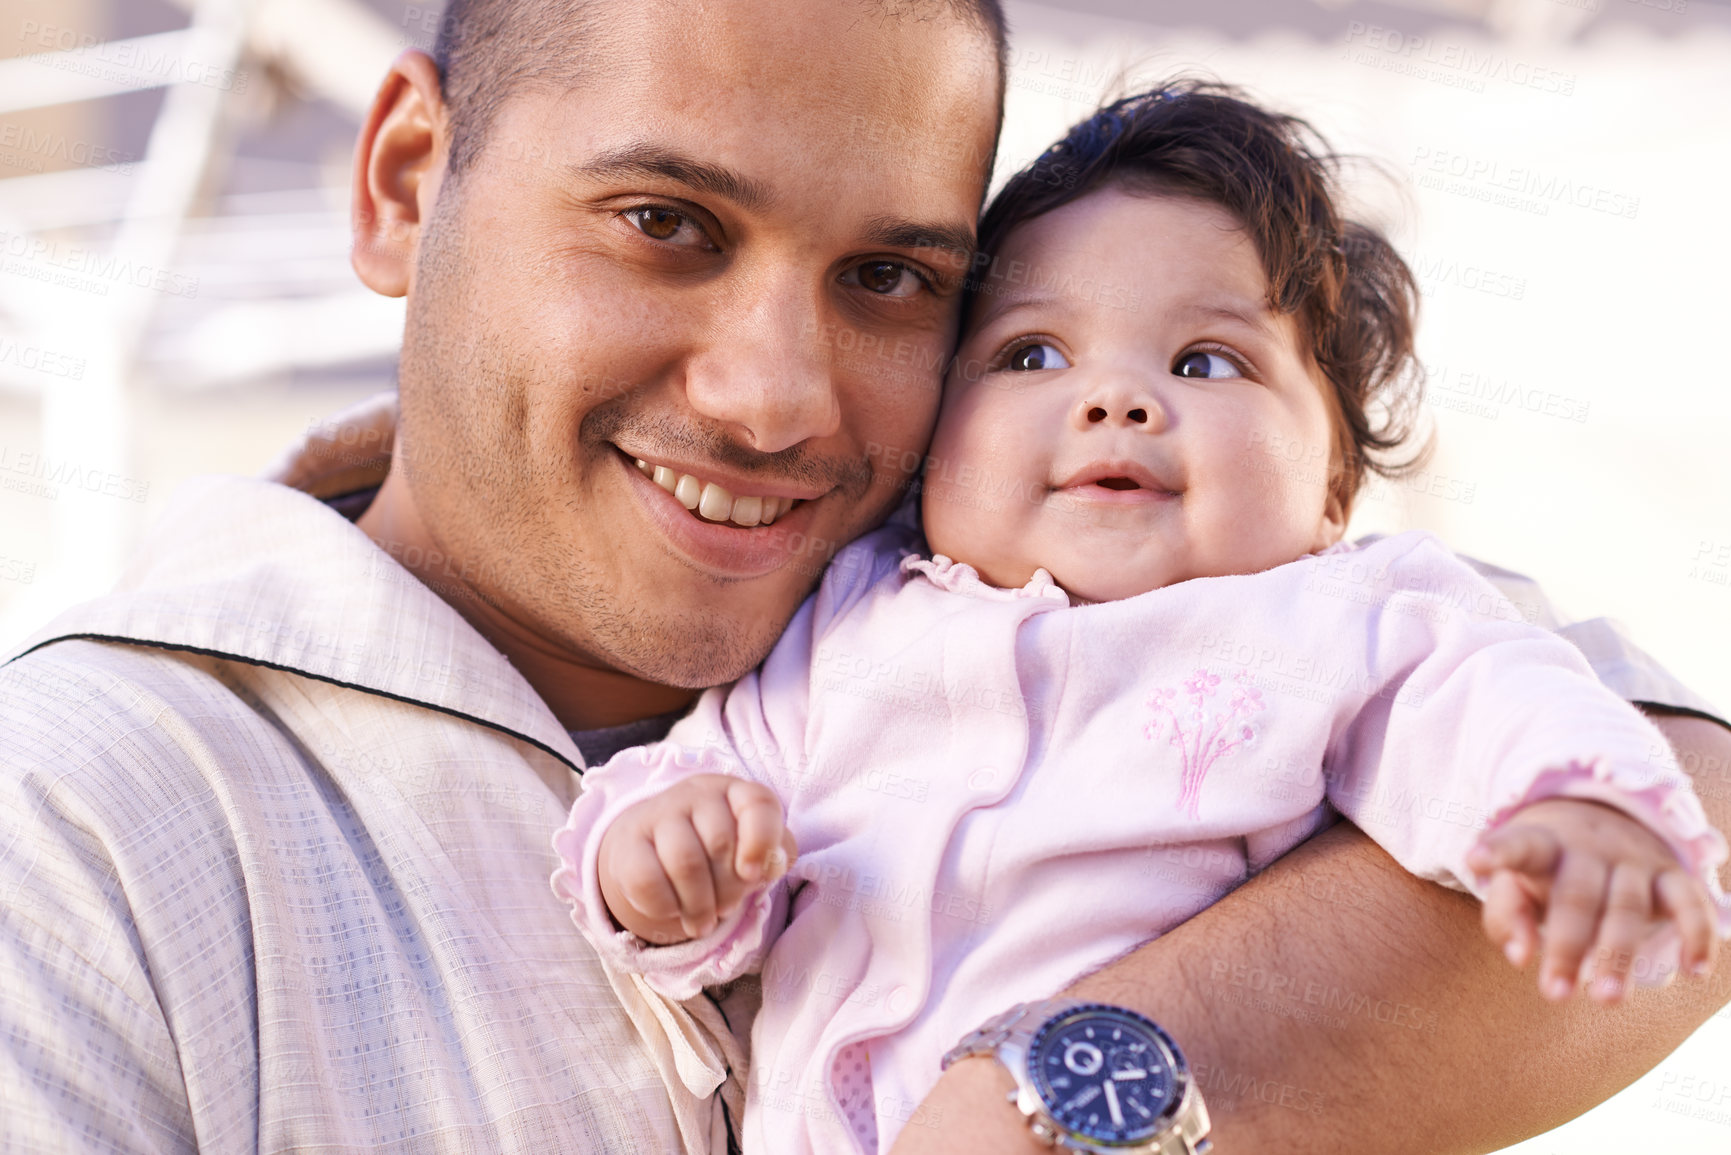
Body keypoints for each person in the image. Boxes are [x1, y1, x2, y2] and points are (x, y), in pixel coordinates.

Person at [0, 1, 1725, 1152]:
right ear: (399, 184)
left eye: (895, 276)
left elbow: (1681, 778)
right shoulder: (82, 822)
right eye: (663, 223)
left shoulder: (1088, 579)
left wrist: (1058, 1092)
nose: (775, 398)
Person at [554, 85, 1729, 1155]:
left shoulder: (1338, 617)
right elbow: (712, 780)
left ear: (1331, 491)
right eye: (1032, 354)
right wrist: (661, 860)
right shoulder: (852, 617)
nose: (1114, 400)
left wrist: (1579, 802)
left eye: (1208, 364)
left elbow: (1484, 700)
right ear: (933, 442)